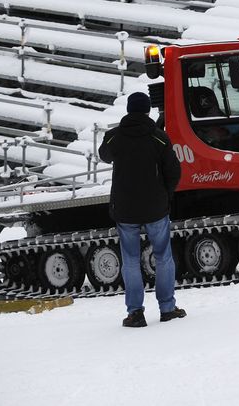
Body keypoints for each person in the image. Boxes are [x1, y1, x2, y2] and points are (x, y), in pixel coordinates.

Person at [98, 92, 186, 328]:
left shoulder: (114, 137)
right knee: (163, 257)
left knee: (130, 260)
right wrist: (165, 195)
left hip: (125, 210)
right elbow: (174, 172)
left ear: (128, 109)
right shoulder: (159, 138)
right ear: (148, 110)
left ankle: (135, 313)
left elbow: (103, 156)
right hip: (156, 208)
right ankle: (167, 308)